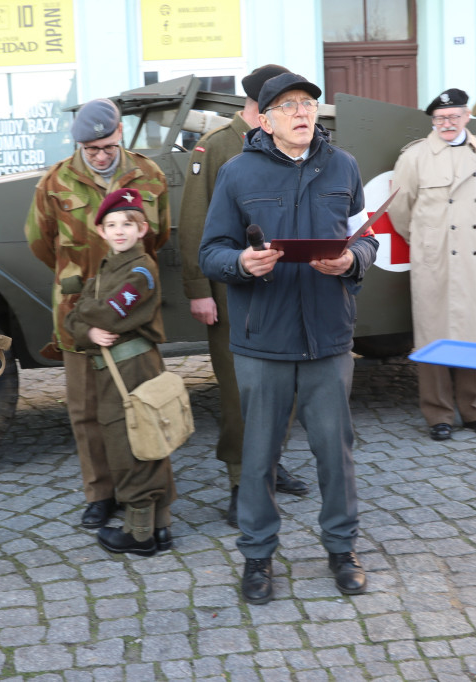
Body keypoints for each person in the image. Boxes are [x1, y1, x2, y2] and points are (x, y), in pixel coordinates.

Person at [199, 73, 378, 604]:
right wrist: (242, 262)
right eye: (288, 105)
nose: (303, 112)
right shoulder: (237, 173)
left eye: (309, 103)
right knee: (257, 457)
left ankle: (341, 549)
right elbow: (211, 252)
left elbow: (367, 238)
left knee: (335, 452)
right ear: (266, 118)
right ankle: (257, 558)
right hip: (263, 341)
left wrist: (351, 260)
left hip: (327, 337)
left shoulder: (343, 166)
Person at [26, 98, 170, 530]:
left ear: (121, 134)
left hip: (130, 315)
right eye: (91, 149)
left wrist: (119, 281)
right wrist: (82, 282)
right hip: (77, 312)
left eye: (107, 146)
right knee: (85, 409)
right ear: (78, 146)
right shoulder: (55, 182)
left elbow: (156, 236)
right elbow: (39, 240)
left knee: (135, 405)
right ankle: (100, 492)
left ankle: (138, 494)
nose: (101, 155)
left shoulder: (149, 176)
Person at [178, 64, 309, 527]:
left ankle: (271, 465)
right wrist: (199, 290)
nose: (296, 110)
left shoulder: (293, 143)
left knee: (285, 389)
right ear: (259, 104)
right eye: (284, 101)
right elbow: (194, 222)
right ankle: (240, 482)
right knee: (239, 394)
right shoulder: (216, 148)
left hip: (289, 291)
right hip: (234, 294)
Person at [64, 189, 176, 556]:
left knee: (136, 443)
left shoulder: (141, 270)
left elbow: (110, 312)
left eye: (128, 224)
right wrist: (87, 329)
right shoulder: (110, 267)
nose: (119, 231)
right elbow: (78, 320)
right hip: (113, 367)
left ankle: (140, 534)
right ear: (100, 232)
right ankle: (159, 528)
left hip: (134, 366)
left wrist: (84, 314)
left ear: (142, 229)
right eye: (110, 224)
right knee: (137, 439)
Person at [390, 88, 476, 441]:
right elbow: (400, 208)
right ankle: (438, 414)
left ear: (467, 116)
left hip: (473, 255)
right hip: (434, 255)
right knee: (433, 332)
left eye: (453, 117)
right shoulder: (415, 157)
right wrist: (425, 240)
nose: (447, 124)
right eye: (440, 119)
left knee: (475, 331)